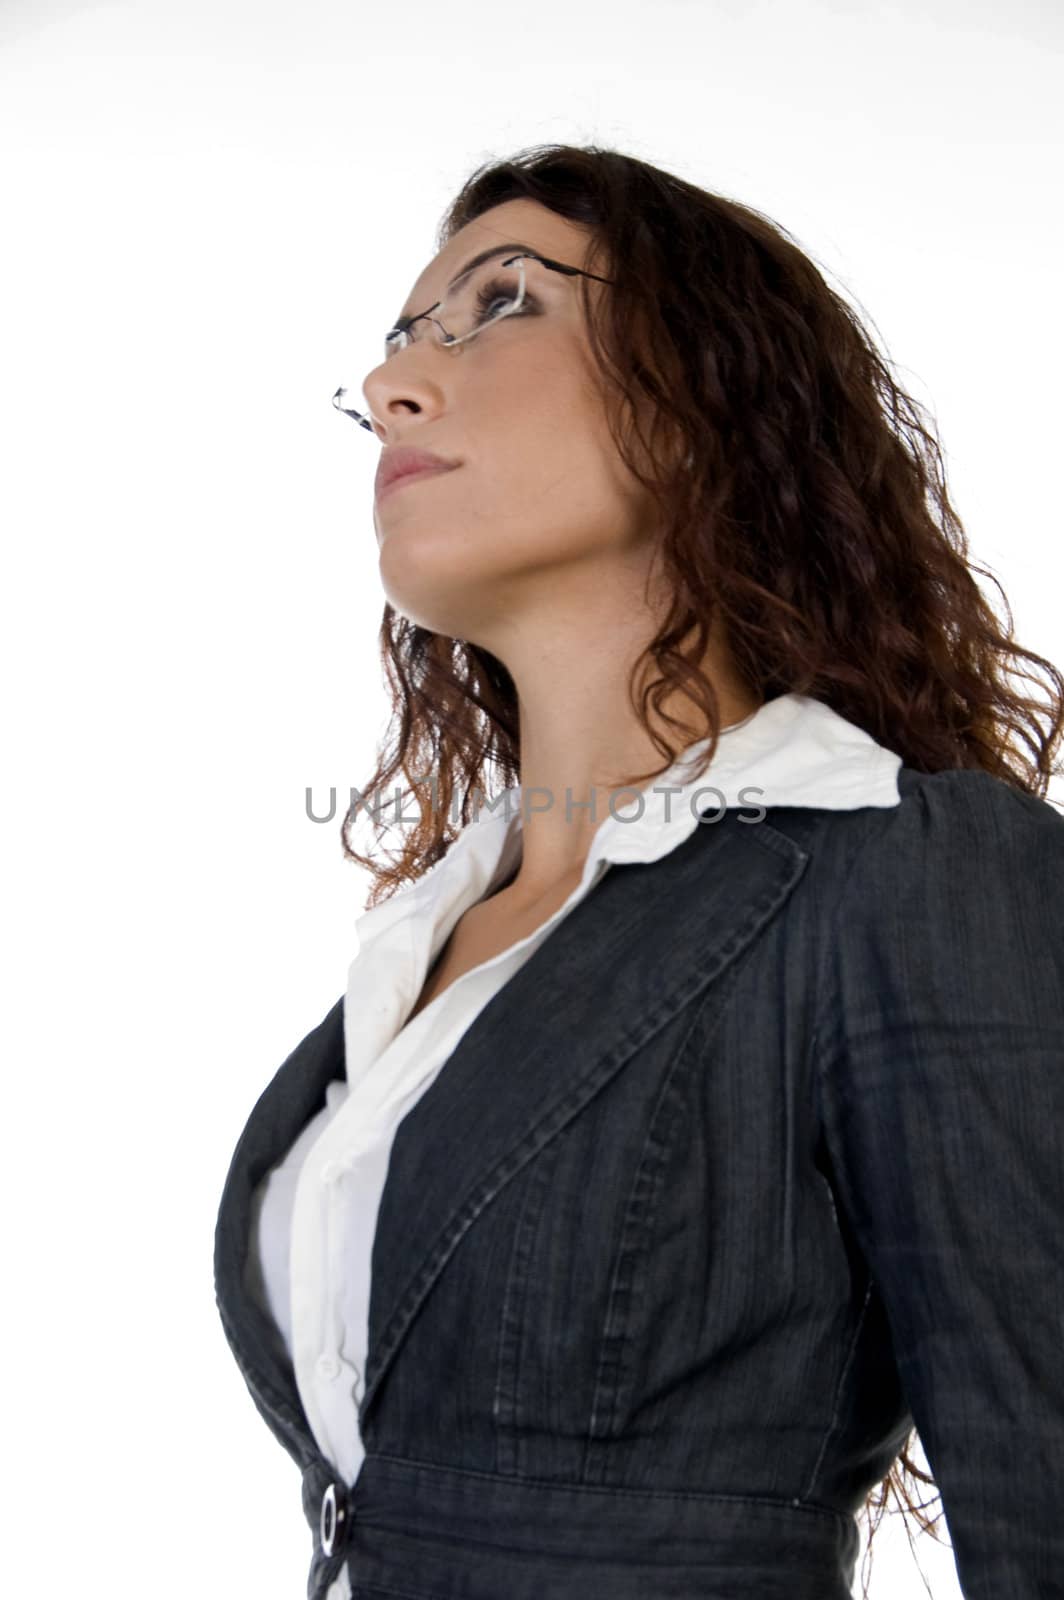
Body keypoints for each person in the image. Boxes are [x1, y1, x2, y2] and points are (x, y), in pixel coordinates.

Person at [214, 144, 1064, 1600]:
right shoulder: (428, 937)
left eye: (502, 303)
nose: (399, 385)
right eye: (401, 339)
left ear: (706, 393)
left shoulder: (908, 874)